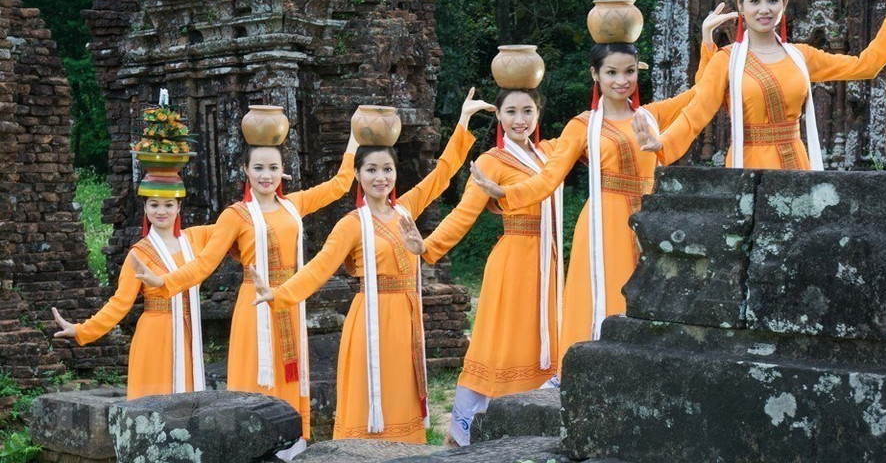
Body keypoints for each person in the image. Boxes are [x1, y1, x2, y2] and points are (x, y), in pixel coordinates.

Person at [250, 90, 493, 444]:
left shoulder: (405, 209)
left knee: (400, 396)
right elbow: (318, 268)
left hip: (406, 320)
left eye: (387, 169)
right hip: (371, 322)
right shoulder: (351, 224)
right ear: (358, 174)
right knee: (371, 402)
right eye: (372, 170)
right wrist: (278, 294)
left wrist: (463, 121)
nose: (381, 177)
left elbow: (441, 176)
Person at [470, 38, 714, 371]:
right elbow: (549, 178)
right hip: (605, 224)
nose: (621, 80)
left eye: (629, 71)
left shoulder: (651, 115)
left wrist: (707, 42)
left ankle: (646, 373)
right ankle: (597, 372)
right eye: (611, 72)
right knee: (609, 298)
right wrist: (505, 193)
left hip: (650, 220)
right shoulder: (582, 126)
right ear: (595, 75)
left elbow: (701, 95)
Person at [133, 108, 358, 458]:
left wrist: (354, 141)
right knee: (256, 379)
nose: (266, 175)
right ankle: (253, 448)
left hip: (289, 301)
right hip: (254, 307)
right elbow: (204, 264)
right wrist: (163, 281)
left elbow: (340, 185)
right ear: (246, 170)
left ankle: (291, 447)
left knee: (289, 374)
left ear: (283, 171)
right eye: (258, 168)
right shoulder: (235, 215)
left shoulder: (293, 205)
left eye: (272, 168)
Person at [420, 58, 563, 444]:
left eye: (528, 111)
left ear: (538, 113)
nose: (520, 119)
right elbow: (463, 214)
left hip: (549, 264)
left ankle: (538, 426)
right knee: (503, 344)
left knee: (545, 342)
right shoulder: (491, 162)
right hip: (514, 261)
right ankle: (475, 431)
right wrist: (427, 246)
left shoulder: (549, 154)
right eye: (511, 111)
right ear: (497, 115)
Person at [635, 0, 886, 168]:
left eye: (772, 0)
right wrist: (663, 142)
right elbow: (697, 110)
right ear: (741, 5)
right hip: (748, 163)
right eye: (755, 1)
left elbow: (863, 67)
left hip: (796, 161)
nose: (764, 9)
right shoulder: (726, 59)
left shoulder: (801, 56)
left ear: (784, 3)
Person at [52, 103, 212, 399]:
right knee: (154, 410)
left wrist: (266, 190)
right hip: (154, 338)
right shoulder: (139, 253)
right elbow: (120, 304)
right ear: (145, 209)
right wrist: (82, 330)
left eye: (168, 205)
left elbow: (237, 225)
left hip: (187, 333)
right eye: (154, 205)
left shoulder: (197, 239)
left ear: (179, 207)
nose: (161, 211)